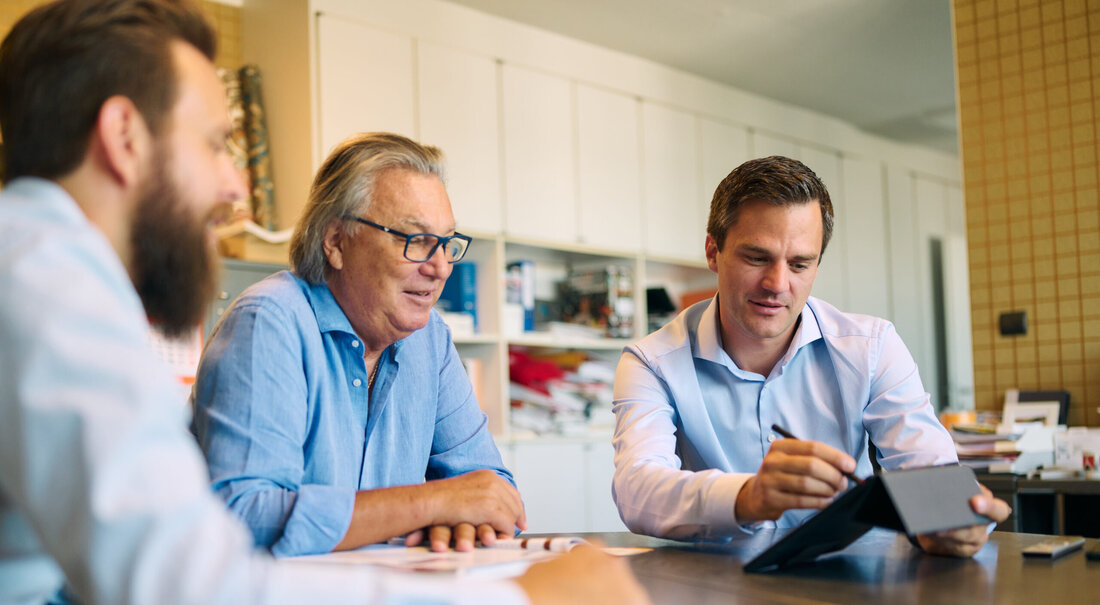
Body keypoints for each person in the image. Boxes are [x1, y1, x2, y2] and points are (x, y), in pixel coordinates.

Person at [0, 1, 648, 604]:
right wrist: (521, 595)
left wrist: (459, 508)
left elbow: (488, 488)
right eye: (215, 144)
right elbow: (191, 578)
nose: (234, 187)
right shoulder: (41, 275)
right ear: (124, 136)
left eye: (446, 243)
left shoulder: (47, 269)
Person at [611, 155, 1010, 557]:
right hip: (715, 584)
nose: (777, 284)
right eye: (757, 257)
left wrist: (957, 519)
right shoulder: (652, 362)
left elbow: (931, 472)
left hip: (849, 579)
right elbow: (637, 489)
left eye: (800, 264)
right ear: (713, 252)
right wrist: (747, 497)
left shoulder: (871, 347)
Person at [190, 132, 522, 557]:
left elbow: (492, 490)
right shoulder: (269, 321)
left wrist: (459, 519)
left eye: (445, 243)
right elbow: (244, 518)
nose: (440, 268)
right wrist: (432, 504)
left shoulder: (430, 338)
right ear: (335, 242)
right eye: (415, 240)